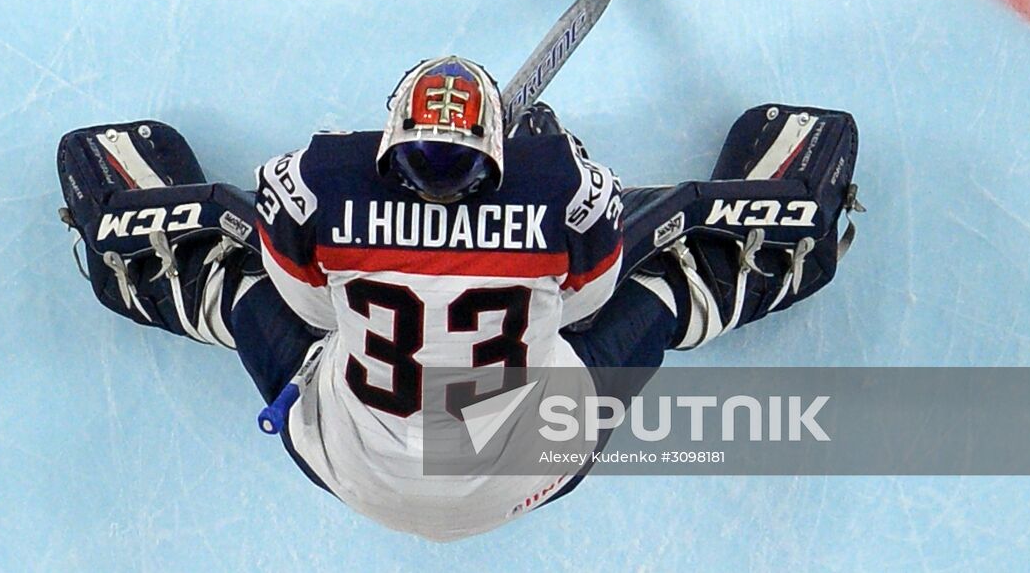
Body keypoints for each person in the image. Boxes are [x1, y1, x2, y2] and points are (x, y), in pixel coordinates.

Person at [56, 55, 860, 541]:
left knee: (245, 296)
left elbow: (310, 311)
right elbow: (584, 308)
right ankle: (757, 261)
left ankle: (163, 272)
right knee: (653, 298)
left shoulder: (316, 179)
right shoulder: (565, 188)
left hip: (355, 469)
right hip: (530, 469)